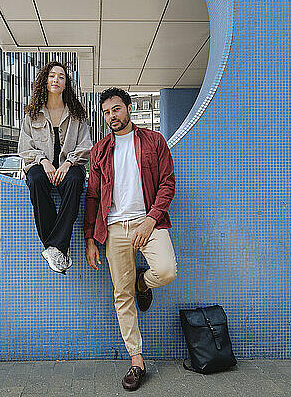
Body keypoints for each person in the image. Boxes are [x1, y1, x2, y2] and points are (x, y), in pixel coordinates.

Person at [84, 88, 177, 391]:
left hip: (148, 221)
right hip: (114, 229)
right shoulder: (99, 151)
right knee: (121, 295)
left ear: (129, 108)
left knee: (166, 271)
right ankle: (136, 361)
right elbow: (94, 197)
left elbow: (167, 183)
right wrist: (90, 239)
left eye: (116, 109)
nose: (112, 116)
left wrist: (151, 219)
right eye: (107, 112)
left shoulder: (154, 141)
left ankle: (144, 281)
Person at [18, 61, 92, 274]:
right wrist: (44, 162)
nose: (56, 80)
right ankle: (57, 247)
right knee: (35, 179)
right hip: (42, 164)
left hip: (71, 165)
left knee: (76, 180)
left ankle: (54, 248)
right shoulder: (32, 114)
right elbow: (25, 147)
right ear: (45, 81)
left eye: (61, 76)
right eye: (52, 76)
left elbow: (86, 145)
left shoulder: (77, 114)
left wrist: (68, 163)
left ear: (66, 83)